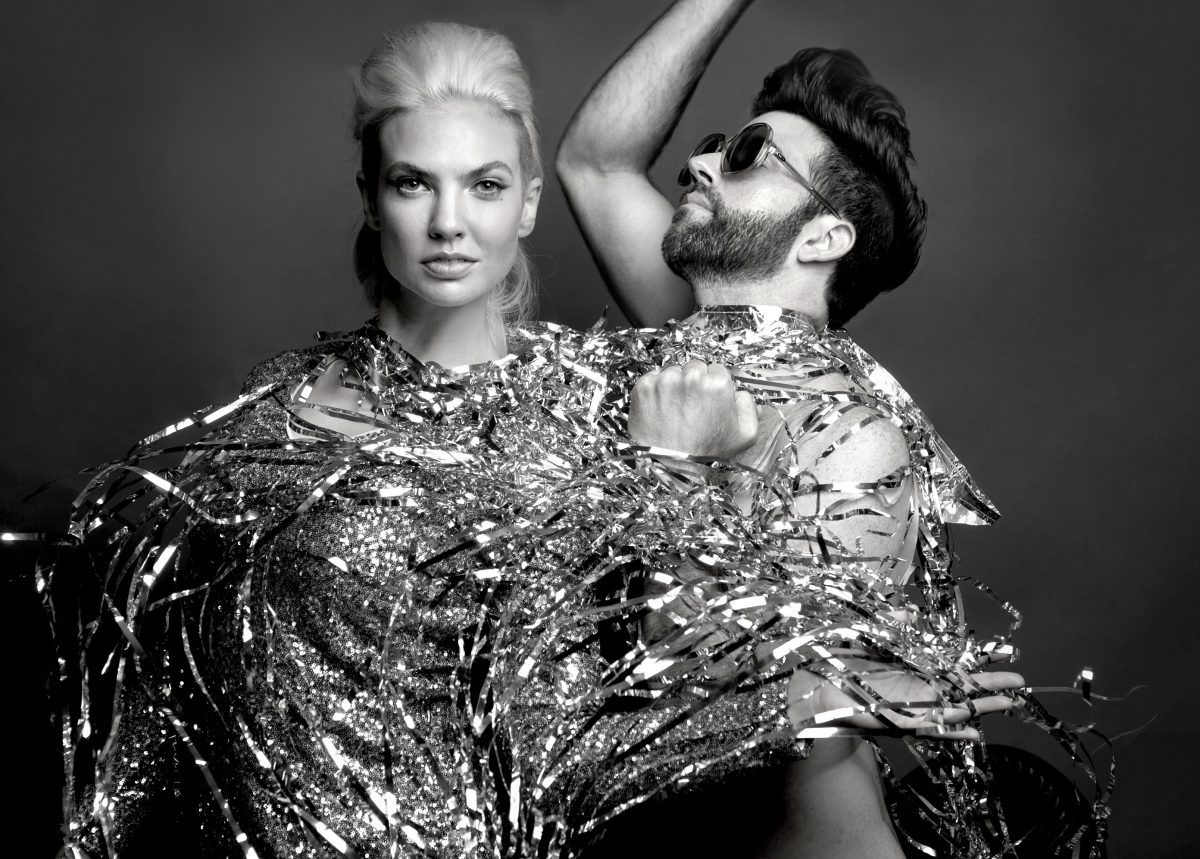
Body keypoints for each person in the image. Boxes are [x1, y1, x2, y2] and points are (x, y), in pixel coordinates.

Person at [554, 1, 1067, 856]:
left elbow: (705, 722)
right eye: (715, 142)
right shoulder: (691, 346)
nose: (698, 163)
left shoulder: (854, 437)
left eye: (747, 155)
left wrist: (673, 465)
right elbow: (596, 159)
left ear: (825, 235)